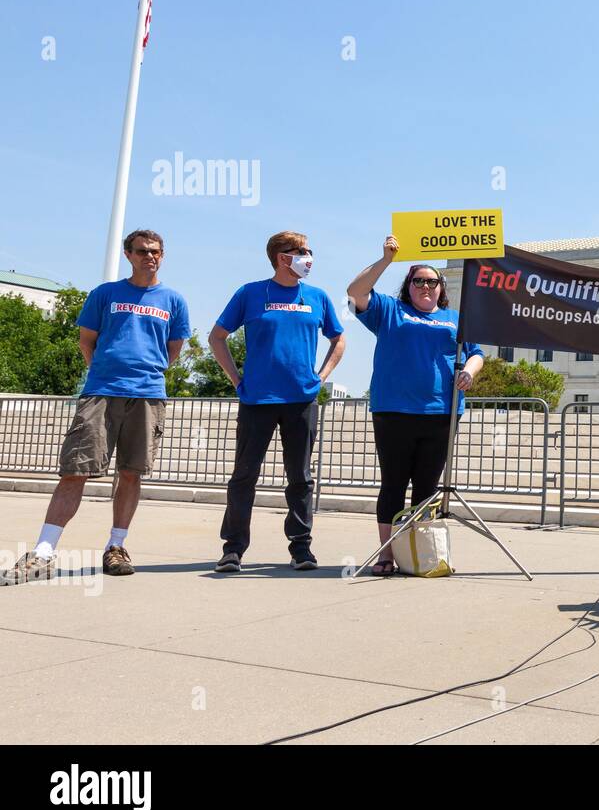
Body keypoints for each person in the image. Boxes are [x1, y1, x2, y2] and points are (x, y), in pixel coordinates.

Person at [2, 230, 189, 585]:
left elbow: (174, 348)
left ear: (163, 256)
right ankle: (43, 551)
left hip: (148, 394)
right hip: (102, 391)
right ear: (128, 254)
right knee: (76, 470)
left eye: (156, 252)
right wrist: (103, 370)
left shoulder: (174, 300)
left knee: (132, 472)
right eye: (142, 251)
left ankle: (116, 547)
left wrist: (149, 370)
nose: (150, 257)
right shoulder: (105, 294)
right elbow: (86, 340)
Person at [346, 235, 484, 576]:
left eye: (432, 281)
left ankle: (422, 555)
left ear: (441, 288)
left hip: (441, 412)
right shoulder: (389, 311)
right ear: (408, 286)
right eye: (418, 280)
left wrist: (468, 370)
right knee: (393, 483)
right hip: (394, 410)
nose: (425, 286)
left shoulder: (456, 317)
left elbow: (477, 353)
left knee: (426, 487)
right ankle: (386, 555)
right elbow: (355, 292)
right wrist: (385, 260)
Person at [209, 231, 346, 573]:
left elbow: (338, 339)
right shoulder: (250, 293)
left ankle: (301, 548)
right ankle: (233, 548)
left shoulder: (317, 296)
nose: (308, 257)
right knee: (244, 475)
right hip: (257, 399)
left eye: (309, 251)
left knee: (300, 476)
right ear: (282, 257)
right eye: (301, 251)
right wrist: (236, 379)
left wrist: (321, 376)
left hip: (301, 399)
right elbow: (217, 337)